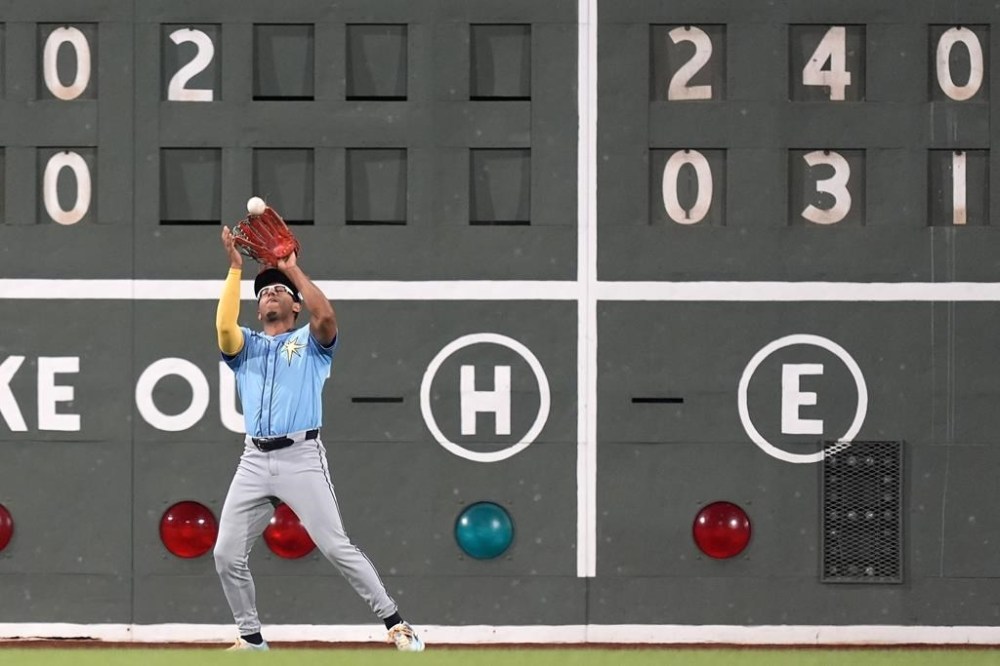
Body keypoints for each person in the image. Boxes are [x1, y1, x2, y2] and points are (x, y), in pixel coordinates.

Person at [213, 224, 424, 652]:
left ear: (294, 304)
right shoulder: (247, 347)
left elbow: (325, 318)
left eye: (278, 290)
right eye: (264, 292)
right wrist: (236, 269)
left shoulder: (307, 342)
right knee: (225, 554)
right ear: (258, 310)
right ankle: (251, 639)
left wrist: (293, 270)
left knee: (334, 545)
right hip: (253, 460)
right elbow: (223, 328)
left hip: (300, 456)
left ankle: (398, 624)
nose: (269, 293)